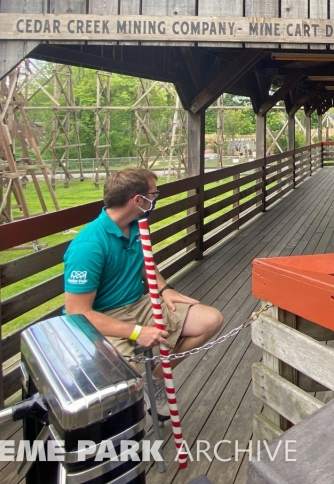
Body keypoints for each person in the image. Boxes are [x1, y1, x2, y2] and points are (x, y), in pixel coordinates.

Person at [64, 168, 223, 413]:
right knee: (130, 377)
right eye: (153, 193)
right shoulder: (89, 246)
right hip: (103, 318)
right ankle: (136, 399)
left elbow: (144, 263)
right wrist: (137, 332)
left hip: (139, 303)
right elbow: (78, 314)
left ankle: (156, 380)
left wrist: (164, 289)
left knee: (211, 320)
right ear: (138, 200)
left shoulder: (135, 224)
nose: (156, 198)